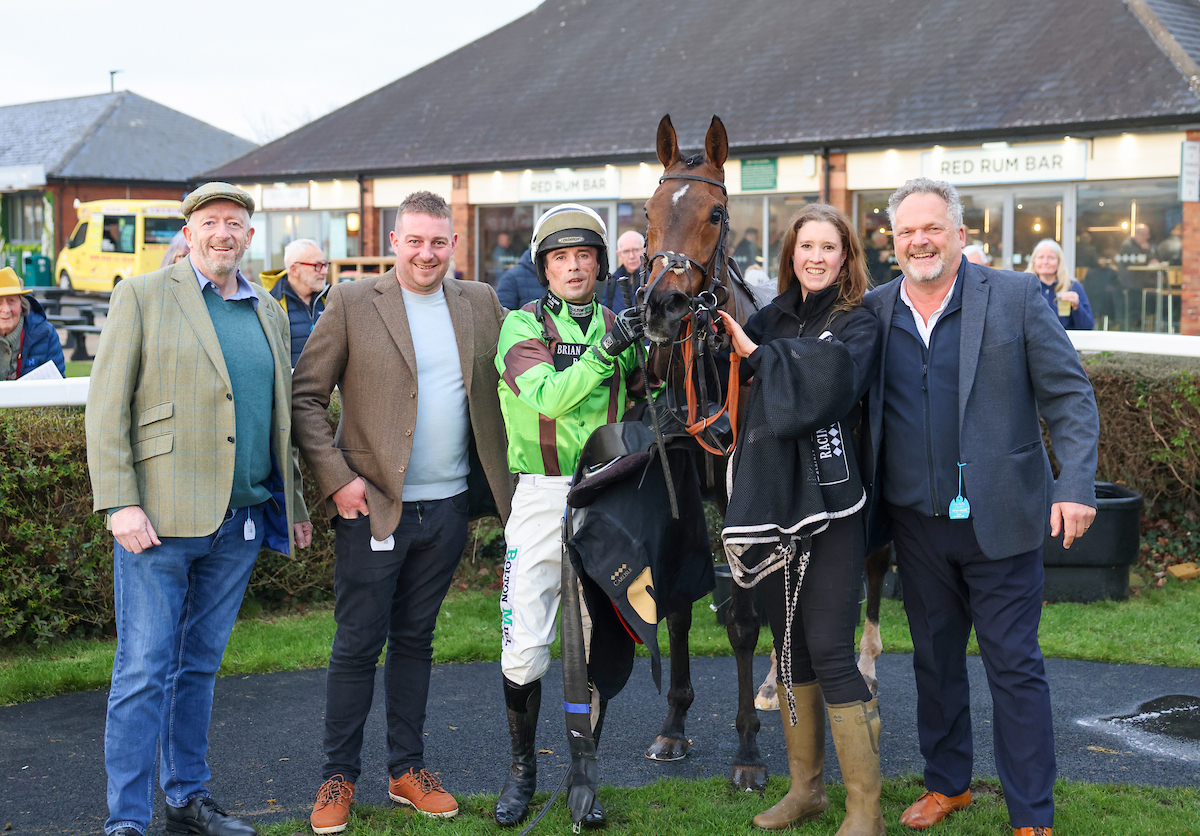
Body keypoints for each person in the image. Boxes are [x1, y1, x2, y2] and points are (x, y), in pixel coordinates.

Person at [864, 178, 1099, 836]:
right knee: (934, 665)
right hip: (915, 526)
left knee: (1014, 668)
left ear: (961, 235)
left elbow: (1070, 399)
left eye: (932, 227)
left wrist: (1074, 484)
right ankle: (949, 785)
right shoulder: (875, 310)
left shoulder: (1017, 297)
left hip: (1002, 521)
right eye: (907, 230)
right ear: (894, 242)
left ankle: (1031, 814)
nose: (920, 240)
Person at [85, 182, 311, 836]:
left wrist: (289, 501)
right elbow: (107, 410)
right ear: (188, 234)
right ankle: (126, 821)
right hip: (157, 522)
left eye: (235, 224)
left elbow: (276, 419)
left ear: (248, 237)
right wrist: (119, 502)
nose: (223, 234)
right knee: (142, 672)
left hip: (239, 523)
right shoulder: (143, 296)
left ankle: (187, 797)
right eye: (210, 222)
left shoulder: (266, 310)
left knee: (200, 669)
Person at [291, 191, 512, 832]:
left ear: (452, 244)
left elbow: (518, 380)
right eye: (414, 241)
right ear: (395, 242)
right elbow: (307, 398)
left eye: (438, 241)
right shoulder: (354, 301)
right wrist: (338, 483)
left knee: (416, 641)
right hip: (373, 509)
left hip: (445, 511)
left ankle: (406, 770)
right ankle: (339, 776)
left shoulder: (480, 303)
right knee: (358, 644)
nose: (427, 253)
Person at [719, 204, 883, 836]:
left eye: (828, 247)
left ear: (846, 257)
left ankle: (864, 811)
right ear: (791, 254)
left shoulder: (859, 322)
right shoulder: (772, 316)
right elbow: (728, 374)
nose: (816, 257)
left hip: (834, 508)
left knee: (832, 652)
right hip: (771, 507)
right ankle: (806, 791)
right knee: (788, 651)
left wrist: (757, 355)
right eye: (806, 246)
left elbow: (829, 384)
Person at [492, 203, 644, 827]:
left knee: (601, 643)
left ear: (601, 264)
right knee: (526, 645)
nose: (574, 267)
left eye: (585, 255)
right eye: (561, 258)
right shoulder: (518, 326)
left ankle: (584, 777)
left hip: (611, 494)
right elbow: (551, 399)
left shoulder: (618, 321)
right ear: (544, 269)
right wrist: (608, 351)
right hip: (543, 493)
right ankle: (523, 770)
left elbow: (651, 393)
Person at [264, 239, 330, 366]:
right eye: (317, 266)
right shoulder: (270, 302)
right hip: (290, 384)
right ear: (294, 269)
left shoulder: (330, 297)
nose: (324, 271)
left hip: (331, 385)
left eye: (325, 265)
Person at [0, 266, 66, 378]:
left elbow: (58, 386)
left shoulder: (45, 333)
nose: (6, 310)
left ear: (22, 304)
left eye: (11, 300)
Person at [1025, 239, 1093, 331]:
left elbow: (1088, 327)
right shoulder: (1025, 287)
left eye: (1051, 258)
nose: (1045, 262)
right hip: (1032, 344)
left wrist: (1077, 307)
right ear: (1033, 261)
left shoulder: (1073, 286)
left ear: (1059, 262)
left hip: (1064, 343)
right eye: (1041, 257)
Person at [602, 230, 645, 312]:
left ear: (644, 251)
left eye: (636, 250)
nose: (631, 256)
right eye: (626, 251)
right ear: (619, 255)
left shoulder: (654, 281)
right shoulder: (613, 282)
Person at [1115, 223, 1156, 289]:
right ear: (1138, 234)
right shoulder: (1128, 246)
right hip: (1130, 281)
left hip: (1138, 280)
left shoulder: (1139, 246)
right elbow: (1139, 262)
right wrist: (1146, 251)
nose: (1147, 237)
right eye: (1145, 235)